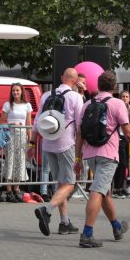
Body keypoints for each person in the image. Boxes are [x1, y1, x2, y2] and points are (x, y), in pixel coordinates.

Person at [77, 71, 130, 248]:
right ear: (114, 86)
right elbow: (127, 131)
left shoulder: (88, 103)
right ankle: (87, 234)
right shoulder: (117, 103)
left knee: (105, 192)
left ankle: (117, 227)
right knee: (98, 191)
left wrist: (77, 157)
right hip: (108, 153)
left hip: (90, 153)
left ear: (98, 84)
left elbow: (80, 133)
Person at [33, 67, 85, 237]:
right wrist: (80, 151)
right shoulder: (75, 97)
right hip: (66, 143)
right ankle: (47, 211)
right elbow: (79, 125)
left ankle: (65, 222)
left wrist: (32, 143)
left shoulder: (47, 95)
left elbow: (37, 121)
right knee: (69, 183)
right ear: (76, 80)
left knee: (61, 184)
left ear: (62, 77)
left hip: (48, 143)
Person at [2, 83, 32, 202]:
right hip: (10, 135)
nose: (15, 93)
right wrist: (12, 124)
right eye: (13, 91)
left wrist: (31, 139)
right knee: (10, 161)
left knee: (20, 162)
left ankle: (16, 190)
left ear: (21, 91)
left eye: (17, 90)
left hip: (22, 136)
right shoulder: (7, 105)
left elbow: (29, 123)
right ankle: (9, 191)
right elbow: (2, 122)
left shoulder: (27, 105)